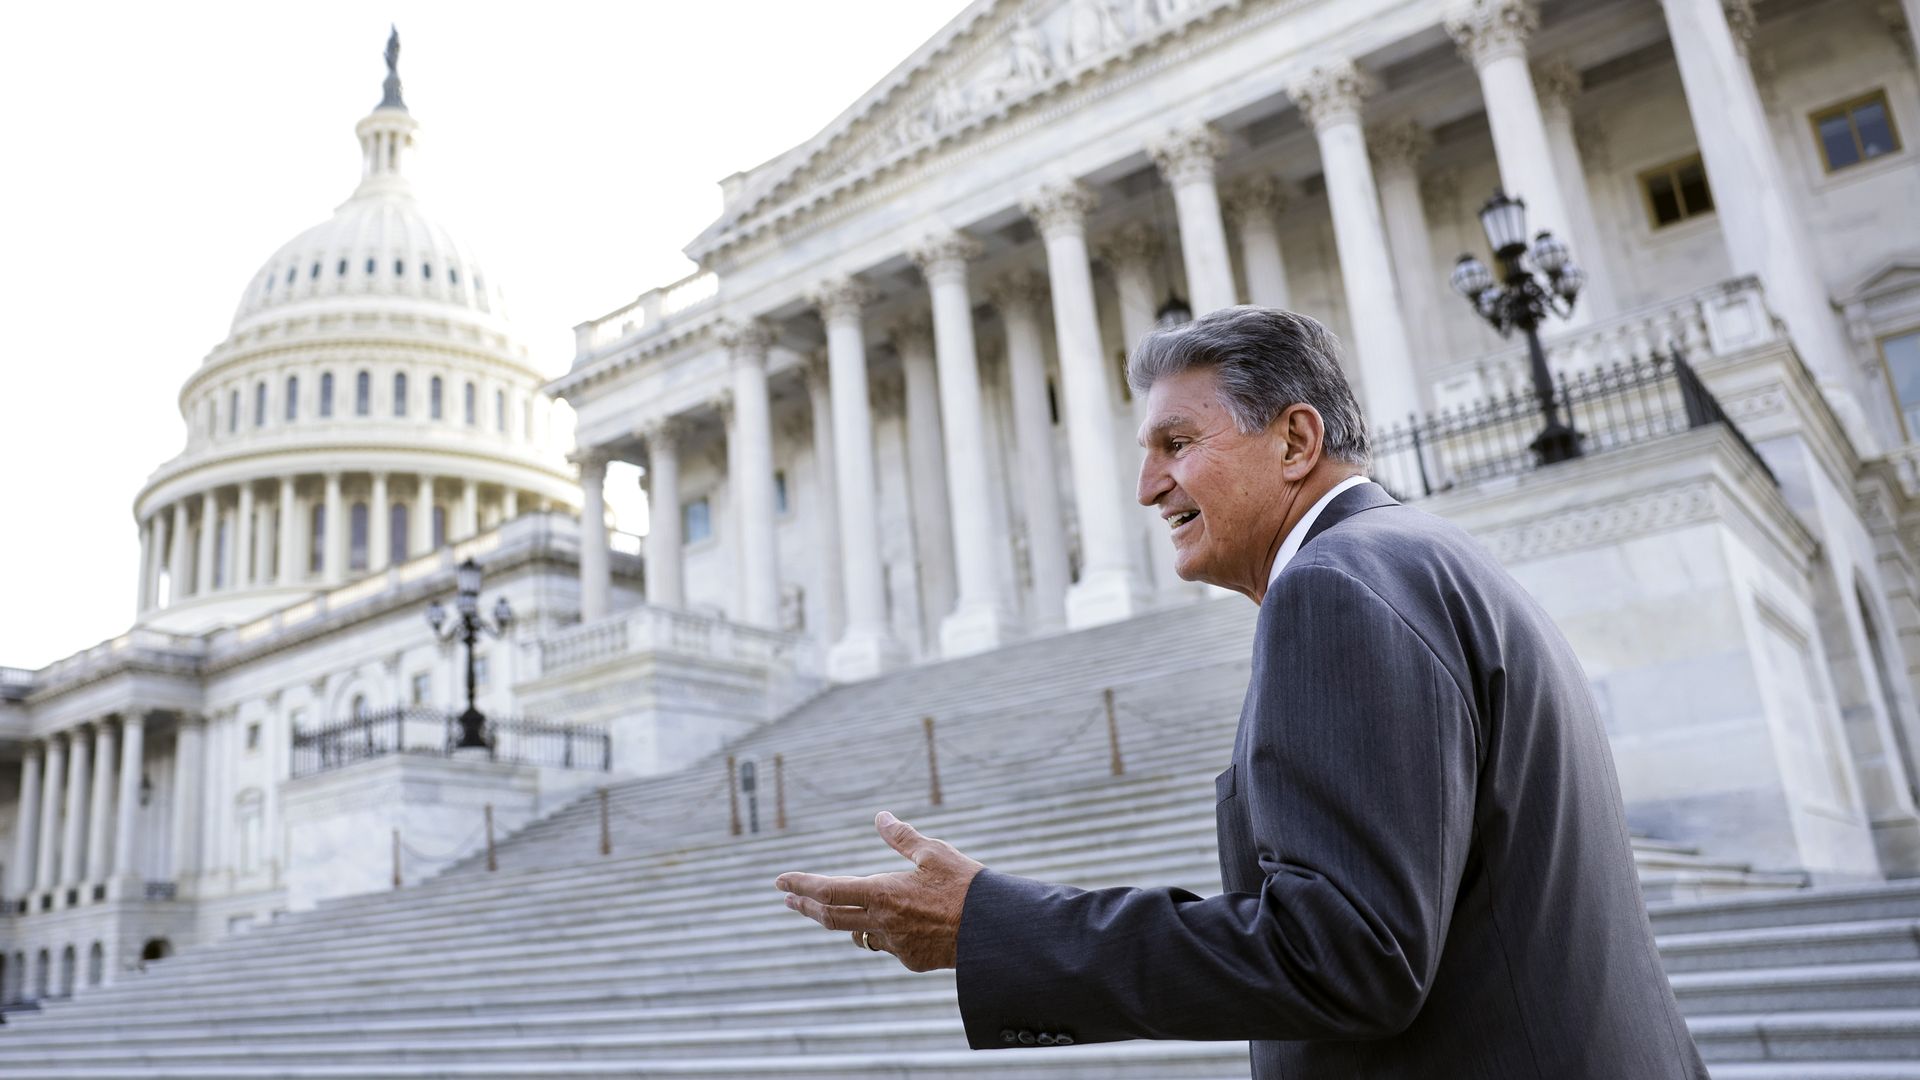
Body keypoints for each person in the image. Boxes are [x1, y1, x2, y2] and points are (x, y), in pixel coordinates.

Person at [774, 305, 1708, 1078]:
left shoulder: (1336, 585)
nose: (1146, 487)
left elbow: (1347, 955)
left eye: (1176, 443)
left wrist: (992, 926)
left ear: (1296, 439)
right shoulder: (1421, 557)